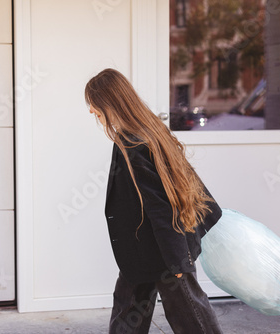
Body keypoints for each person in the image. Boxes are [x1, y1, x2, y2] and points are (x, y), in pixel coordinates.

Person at [85, 68, 224, 334]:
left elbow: (162, 206)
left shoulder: (135, 144)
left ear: (110, 101)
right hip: (141, 247)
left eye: (93, 103)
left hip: (165, 250)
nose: (91, 110)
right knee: (128, 307)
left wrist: (178, 263)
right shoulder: (143, 131)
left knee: (190, 315)